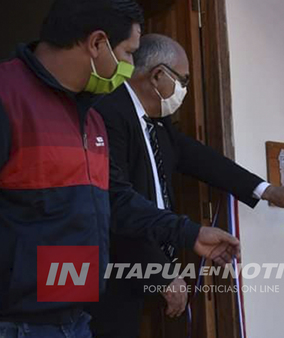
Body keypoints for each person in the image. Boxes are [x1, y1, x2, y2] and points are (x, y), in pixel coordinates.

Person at [0, 1, 240, 337]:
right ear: (97, 43)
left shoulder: (91, 116)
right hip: (16, 323)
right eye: (129, 53)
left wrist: (189, 233)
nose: (131, 65)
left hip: (75, 317)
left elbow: (116, 200)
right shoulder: (8, 96)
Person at [88, 33, 284, 337]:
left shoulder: (157, 123)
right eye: (183, 80)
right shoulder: (107, 112)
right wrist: (161, 273)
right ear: (158, 75)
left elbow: (201, 159)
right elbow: (115, 206)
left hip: (145, 271)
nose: (184, 90)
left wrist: (267, 190)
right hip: (108, 275)